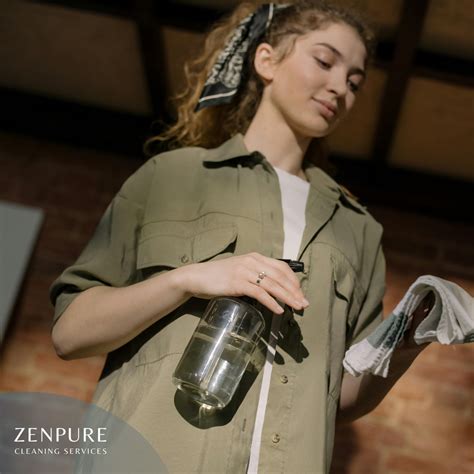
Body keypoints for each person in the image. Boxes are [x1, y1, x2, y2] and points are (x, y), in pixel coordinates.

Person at [49, 1, 433, 472]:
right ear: (266, 60)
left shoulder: (359, 230)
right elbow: (70, 333)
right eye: (324, 61)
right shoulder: (170, 176)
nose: (340, 88)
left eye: (355, 82)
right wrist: (187, 279)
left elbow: (338, 395)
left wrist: (409, 343)